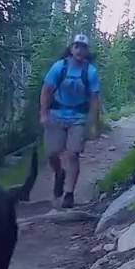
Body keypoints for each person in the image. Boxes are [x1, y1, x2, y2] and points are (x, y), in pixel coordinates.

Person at [39, 33, 101, 208]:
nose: (80, 50)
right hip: (56, 114)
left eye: (83, 47)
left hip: (78, 117)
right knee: (53, 154)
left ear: (87, 51)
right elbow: (46, 91)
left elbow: (94, 99)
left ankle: (69, 194)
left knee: (73, 154)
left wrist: (93, 123)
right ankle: (59, 174)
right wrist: (43, 114)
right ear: (71, 48)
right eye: (76, 46)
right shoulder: (59, 67)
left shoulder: (90, 72)